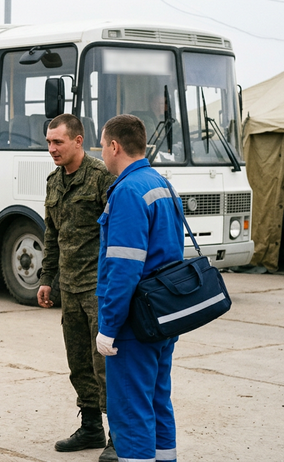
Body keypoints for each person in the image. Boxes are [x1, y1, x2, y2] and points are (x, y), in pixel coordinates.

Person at [95, 114, 184, 462]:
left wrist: (109, 327)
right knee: (157, 402)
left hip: (135, 322)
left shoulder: (127, 191)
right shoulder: (161, 184)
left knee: (130, 410)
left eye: (103, 146)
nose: (102, 152)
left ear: (115, 146)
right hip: (164, 315)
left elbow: (123, 269)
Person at [36, 114, 117, 462]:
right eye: (49, 142)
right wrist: (47, 278)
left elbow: (117, 232)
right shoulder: (54, 182)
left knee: (106, 366)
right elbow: (51, 234)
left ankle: (119, 436)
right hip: (69, 288)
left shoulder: (101, 177)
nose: (52, 148)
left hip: (98, 289)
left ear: (78, 141)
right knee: (79, 362)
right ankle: (91, 427)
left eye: (58, 142)